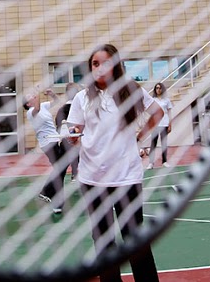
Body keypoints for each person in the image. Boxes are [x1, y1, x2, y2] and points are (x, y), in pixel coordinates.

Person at [67, 43, 163, 282]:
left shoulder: (131, 90)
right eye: (95, 64)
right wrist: (74, 135)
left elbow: (157, 113)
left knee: (134, 239)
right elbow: (73, 130)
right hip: (92, 179)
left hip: (126, 177)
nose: (99, 68)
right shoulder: (82, 97)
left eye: (105, 63)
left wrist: (140, 136)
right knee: (103, 241)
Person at [25, 89, 67, 215]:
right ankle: (47, 192)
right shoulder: (31, 112)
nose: (33, 96)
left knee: (60, 170)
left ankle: (56, 201)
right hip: (47, 143)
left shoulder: (42, 106)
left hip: (55, 139)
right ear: (28, 104)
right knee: (60, 169)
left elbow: (57, 102)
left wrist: (52, 94)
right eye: (30, 97)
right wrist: (36, 92)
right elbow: (37, 107)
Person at [55, 82, 81, 181]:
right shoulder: (78, 108)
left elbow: (58, 125)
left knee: (61, 167)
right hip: (76, 139)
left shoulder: (61, 110)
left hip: (65, 139)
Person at [145, 82, 173, 169]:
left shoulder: (166, 100)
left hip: (164, 123)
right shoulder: (153, 100)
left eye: (160, 88)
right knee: (153, 144)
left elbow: (169, 112)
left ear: (162, 89)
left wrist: (170, 124)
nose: (158, 90)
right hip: (155, 124)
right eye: (157, 88)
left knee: (164, 143)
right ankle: (151, 163)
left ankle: (164, 161)